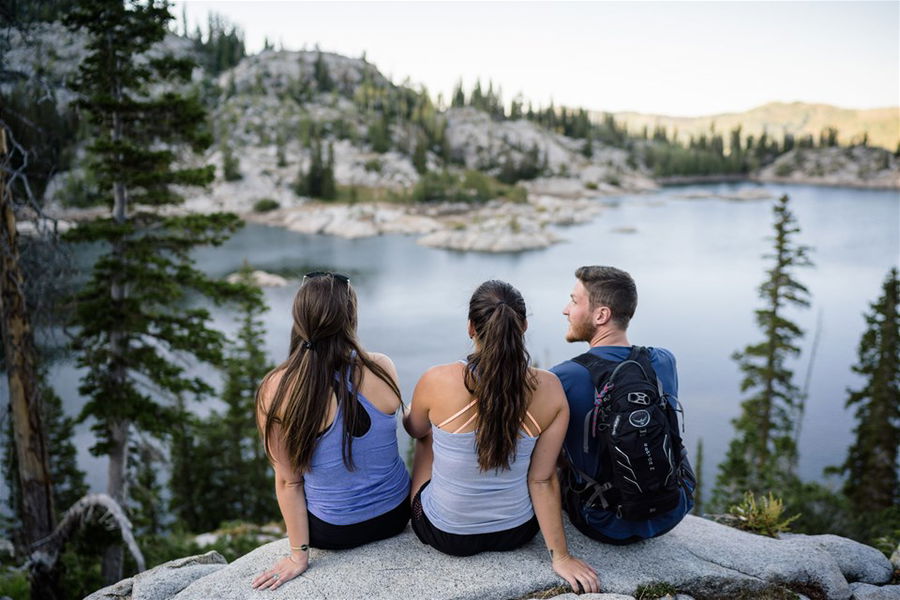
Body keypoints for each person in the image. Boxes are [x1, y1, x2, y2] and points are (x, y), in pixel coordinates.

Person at [404, 280, 600, 593]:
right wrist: (561, 557)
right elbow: (543, 479)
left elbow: (414, 430)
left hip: (446, 533)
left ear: (471, 328)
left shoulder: (436, 380)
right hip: (517, 531)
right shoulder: (549, 388)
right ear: (522, 326)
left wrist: (417, 411)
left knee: (427, 437)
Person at [252, 271, 410, 591]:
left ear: (299, 318)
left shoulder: (276, 388)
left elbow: (288, 480)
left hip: (334, 532)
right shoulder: (380, 367)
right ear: (351, 317)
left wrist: (299, 555)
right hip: (396, 514)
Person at [551, 266, 694, 546]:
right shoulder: (663, 360)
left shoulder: (562, 377)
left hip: (603, 522)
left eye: (574, 300)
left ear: (601, 315)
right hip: (672, 510)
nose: (566, 310)